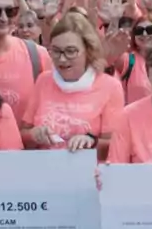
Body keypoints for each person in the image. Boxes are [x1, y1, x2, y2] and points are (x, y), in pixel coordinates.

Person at [22, 12, 124, 157]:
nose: (62, 59)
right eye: (56, 51)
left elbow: (117, 144)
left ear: (88, 50)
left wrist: (91, 142)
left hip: (89, 174)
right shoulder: (43, 80)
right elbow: (23, 135)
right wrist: (34, 135)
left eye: (70, 51)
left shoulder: (110, 86)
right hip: (45, 170)